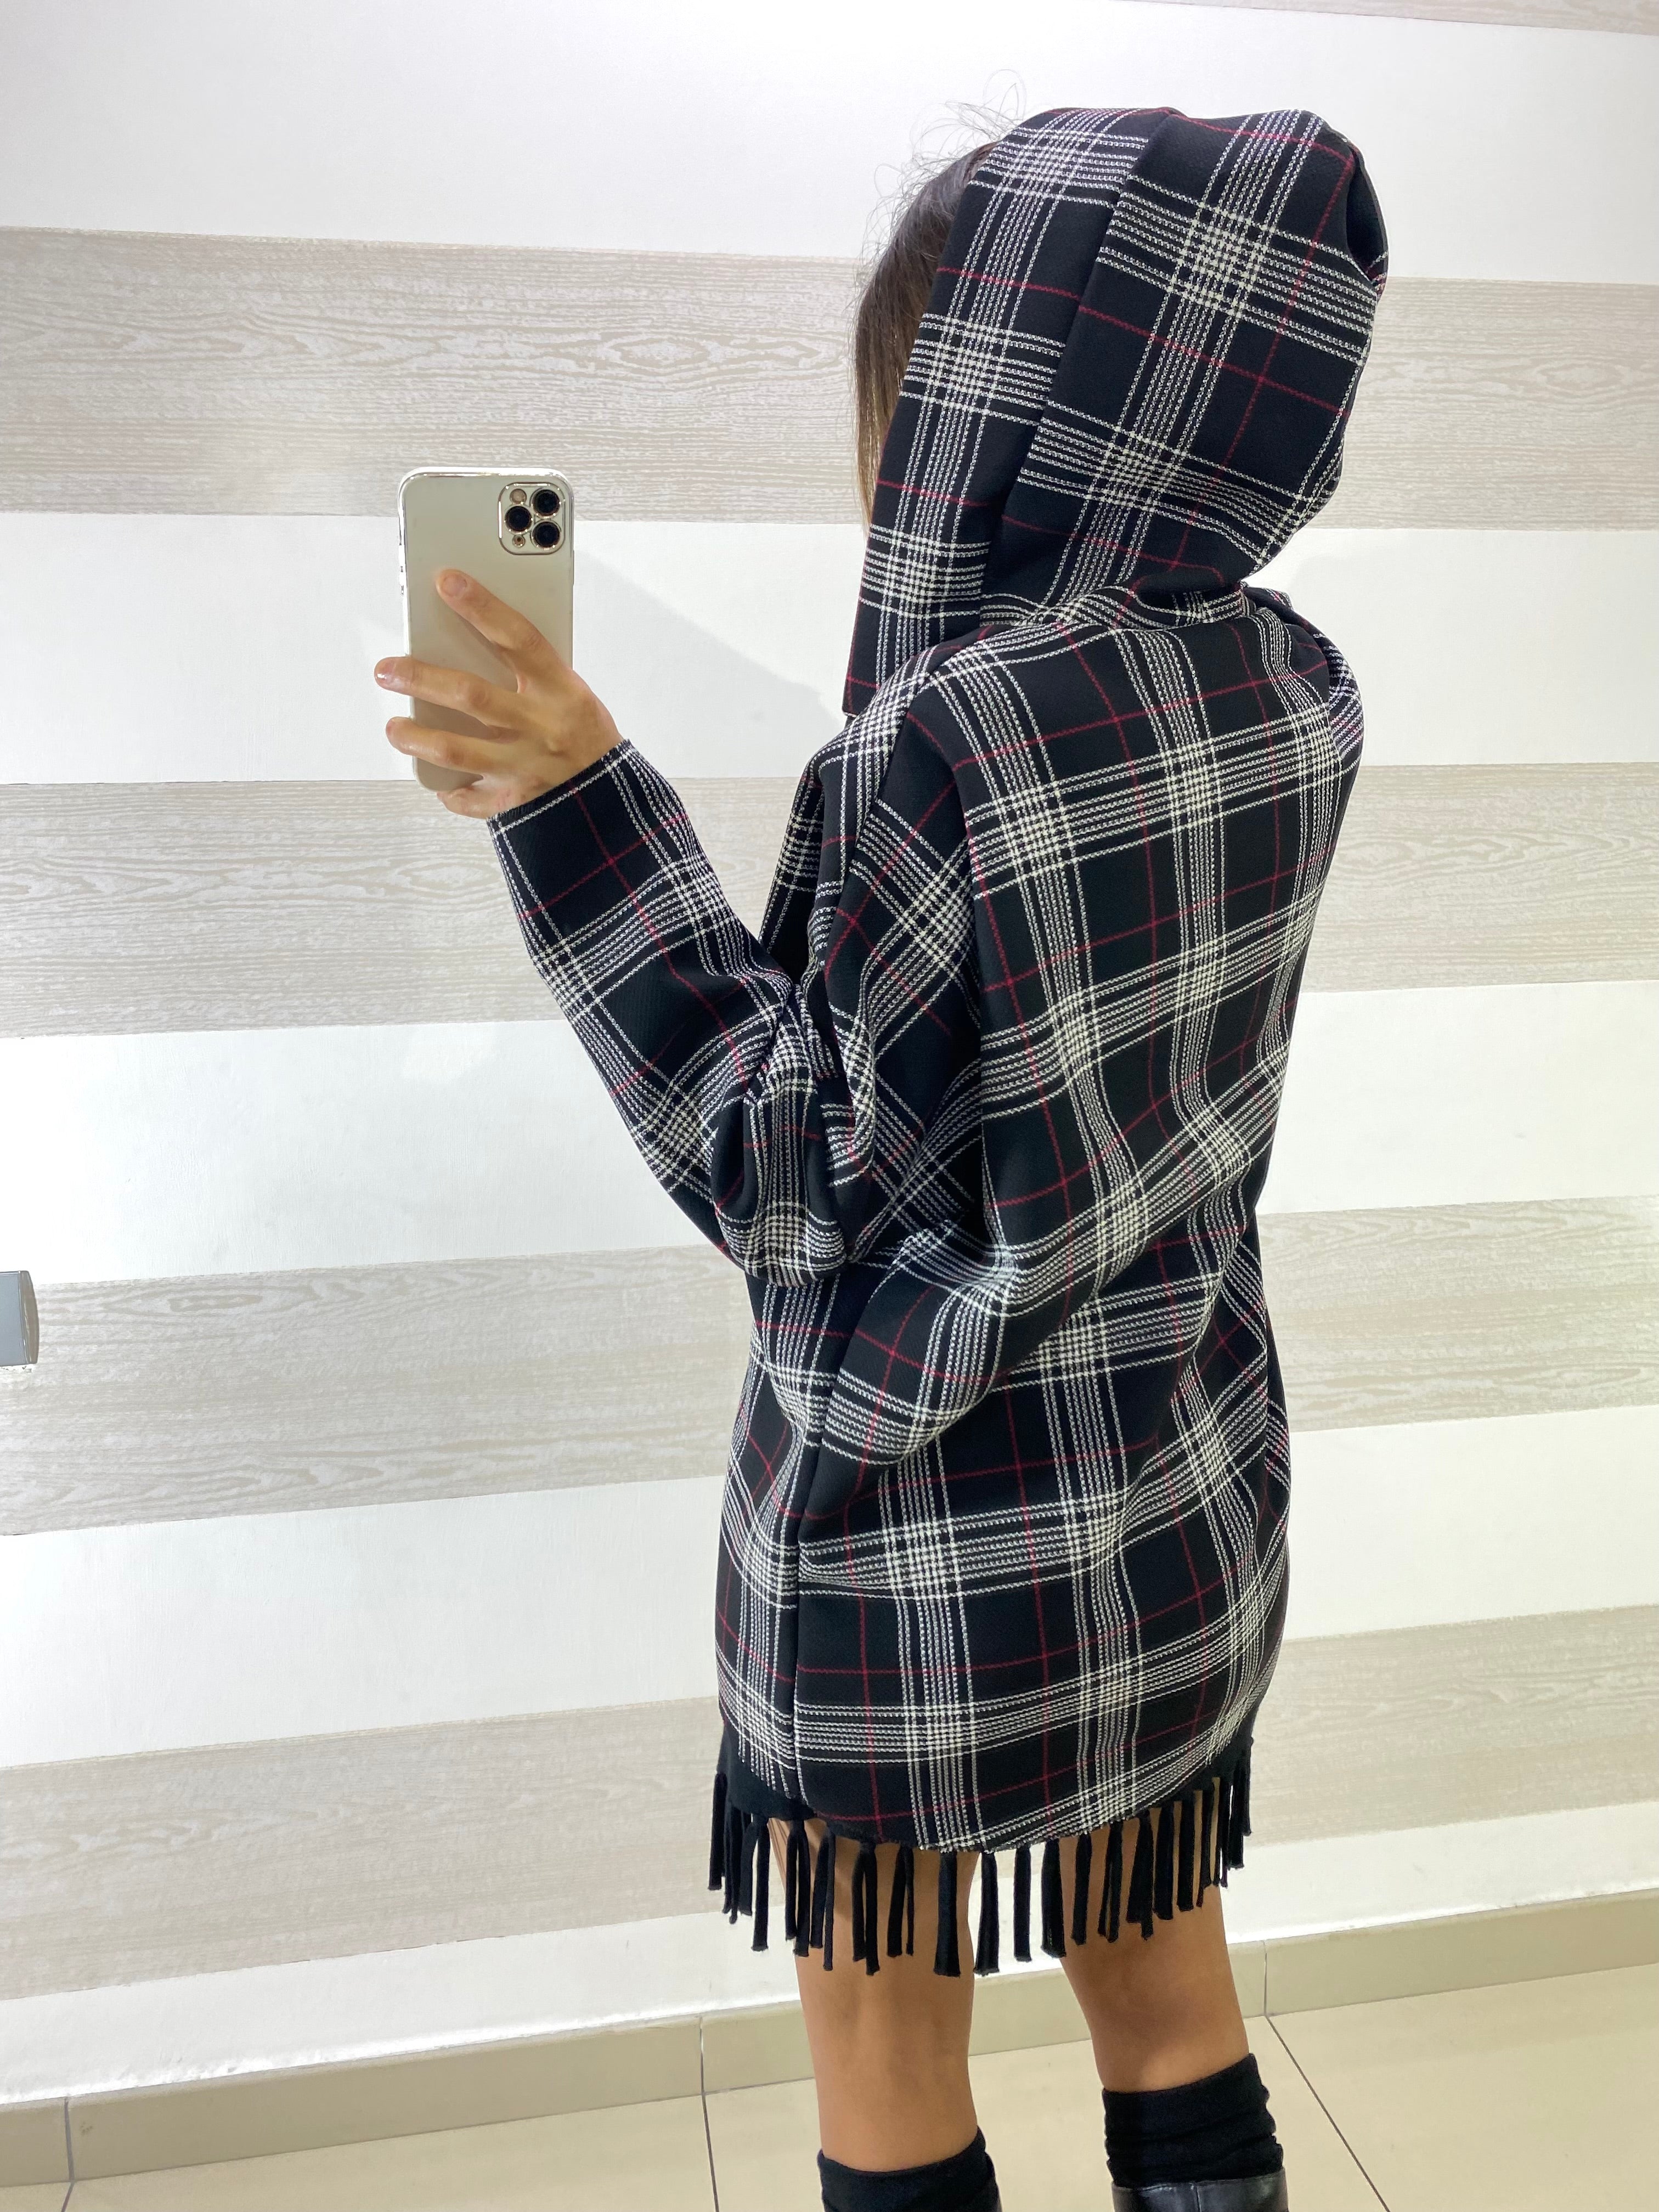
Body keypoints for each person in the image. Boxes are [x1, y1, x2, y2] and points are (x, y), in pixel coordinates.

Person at [376, 103, 1387, 2212]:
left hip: (914, 1553)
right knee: (1171, 1994)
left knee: (883, 2042)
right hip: (1178, 1505)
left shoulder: (943, 735)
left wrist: (577, 806)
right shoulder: (1291, 683)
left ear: (988, 407)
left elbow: (794, 1188)